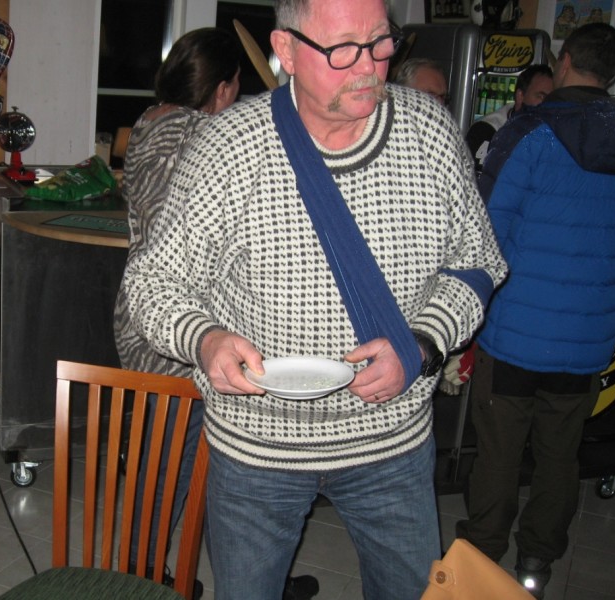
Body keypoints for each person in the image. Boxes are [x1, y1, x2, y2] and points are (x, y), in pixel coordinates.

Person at [121, 0, 507, 598]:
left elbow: (478, 262)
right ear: (287, 50)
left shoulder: (430, 132)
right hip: (257, 450)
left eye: (380, 42)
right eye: (343, 49)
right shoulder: (227, 145)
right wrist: (205, 339)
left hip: (392, 442)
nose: (369, 66)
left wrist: (422, 344)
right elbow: (150, 283)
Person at [113, 27, 319, 600]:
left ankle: (222, 574)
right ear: (224, 89)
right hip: (184, 332)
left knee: (185, 462)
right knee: (186, 467)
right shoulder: (202, 137)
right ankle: (144, 580)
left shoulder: (148, 124)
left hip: (144, 321)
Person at [455, 23, 615, 599]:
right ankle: (536, 565)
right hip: (589, 338)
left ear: (563, 62)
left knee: (499, 453)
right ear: (613, 73)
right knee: (560, 454)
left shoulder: (530, 133)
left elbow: (485, 230)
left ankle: (482, 558)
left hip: (516, 332)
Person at [465, 64, 554, 176]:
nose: (546, 104)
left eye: (551, 99)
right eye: (540, 97)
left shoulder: (551, 136)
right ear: (520, 96)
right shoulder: (486, 131)